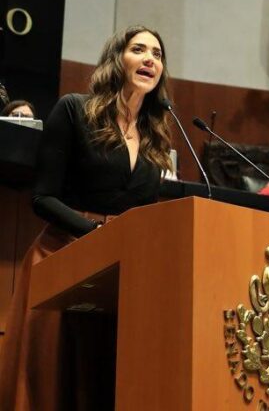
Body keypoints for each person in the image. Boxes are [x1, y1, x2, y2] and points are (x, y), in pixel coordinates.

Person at [0, 25, 172, 411]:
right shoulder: (75, 110)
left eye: (157, 54)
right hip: (62, 255)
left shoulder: (155, 137)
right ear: (117, 59)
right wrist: (96, 233)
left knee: (101, 383)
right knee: (52, 383)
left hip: (119, 270)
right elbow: (42, 197)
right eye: (139, 49)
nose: (149, 59)